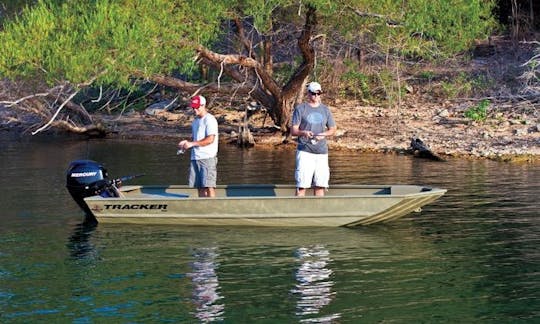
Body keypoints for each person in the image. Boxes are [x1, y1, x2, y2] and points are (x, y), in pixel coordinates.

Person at [290, 82, 337, 196]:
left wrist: (323, 134)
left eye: (318, 93)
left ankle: (318, 210)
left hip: (321, 152)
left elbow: (333, 128)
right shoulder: (300, 109)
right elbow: (293, 130)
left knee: (320, 185)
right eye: (313, 93)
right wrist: (303, 133)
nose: (316, 96)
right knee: (302, 185)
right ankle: (298, 210)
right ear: (308, 93)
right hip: (305, 151)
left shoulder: (325, 110)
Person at [178, 95, 219, 197]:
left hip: (207, 158)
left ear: (203, 105)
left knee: (209, 186)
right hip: (195, 158)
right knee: (199, 187)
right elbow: (196, 140)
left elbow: (210, 139)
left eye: (197, 107)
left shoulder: (209, 119)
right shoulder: (195, 121)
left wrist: (192, 144)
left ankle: (213, 210)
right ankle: (203, 208)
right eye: (193, 107)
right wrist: (186, 144)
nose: (195, 109)